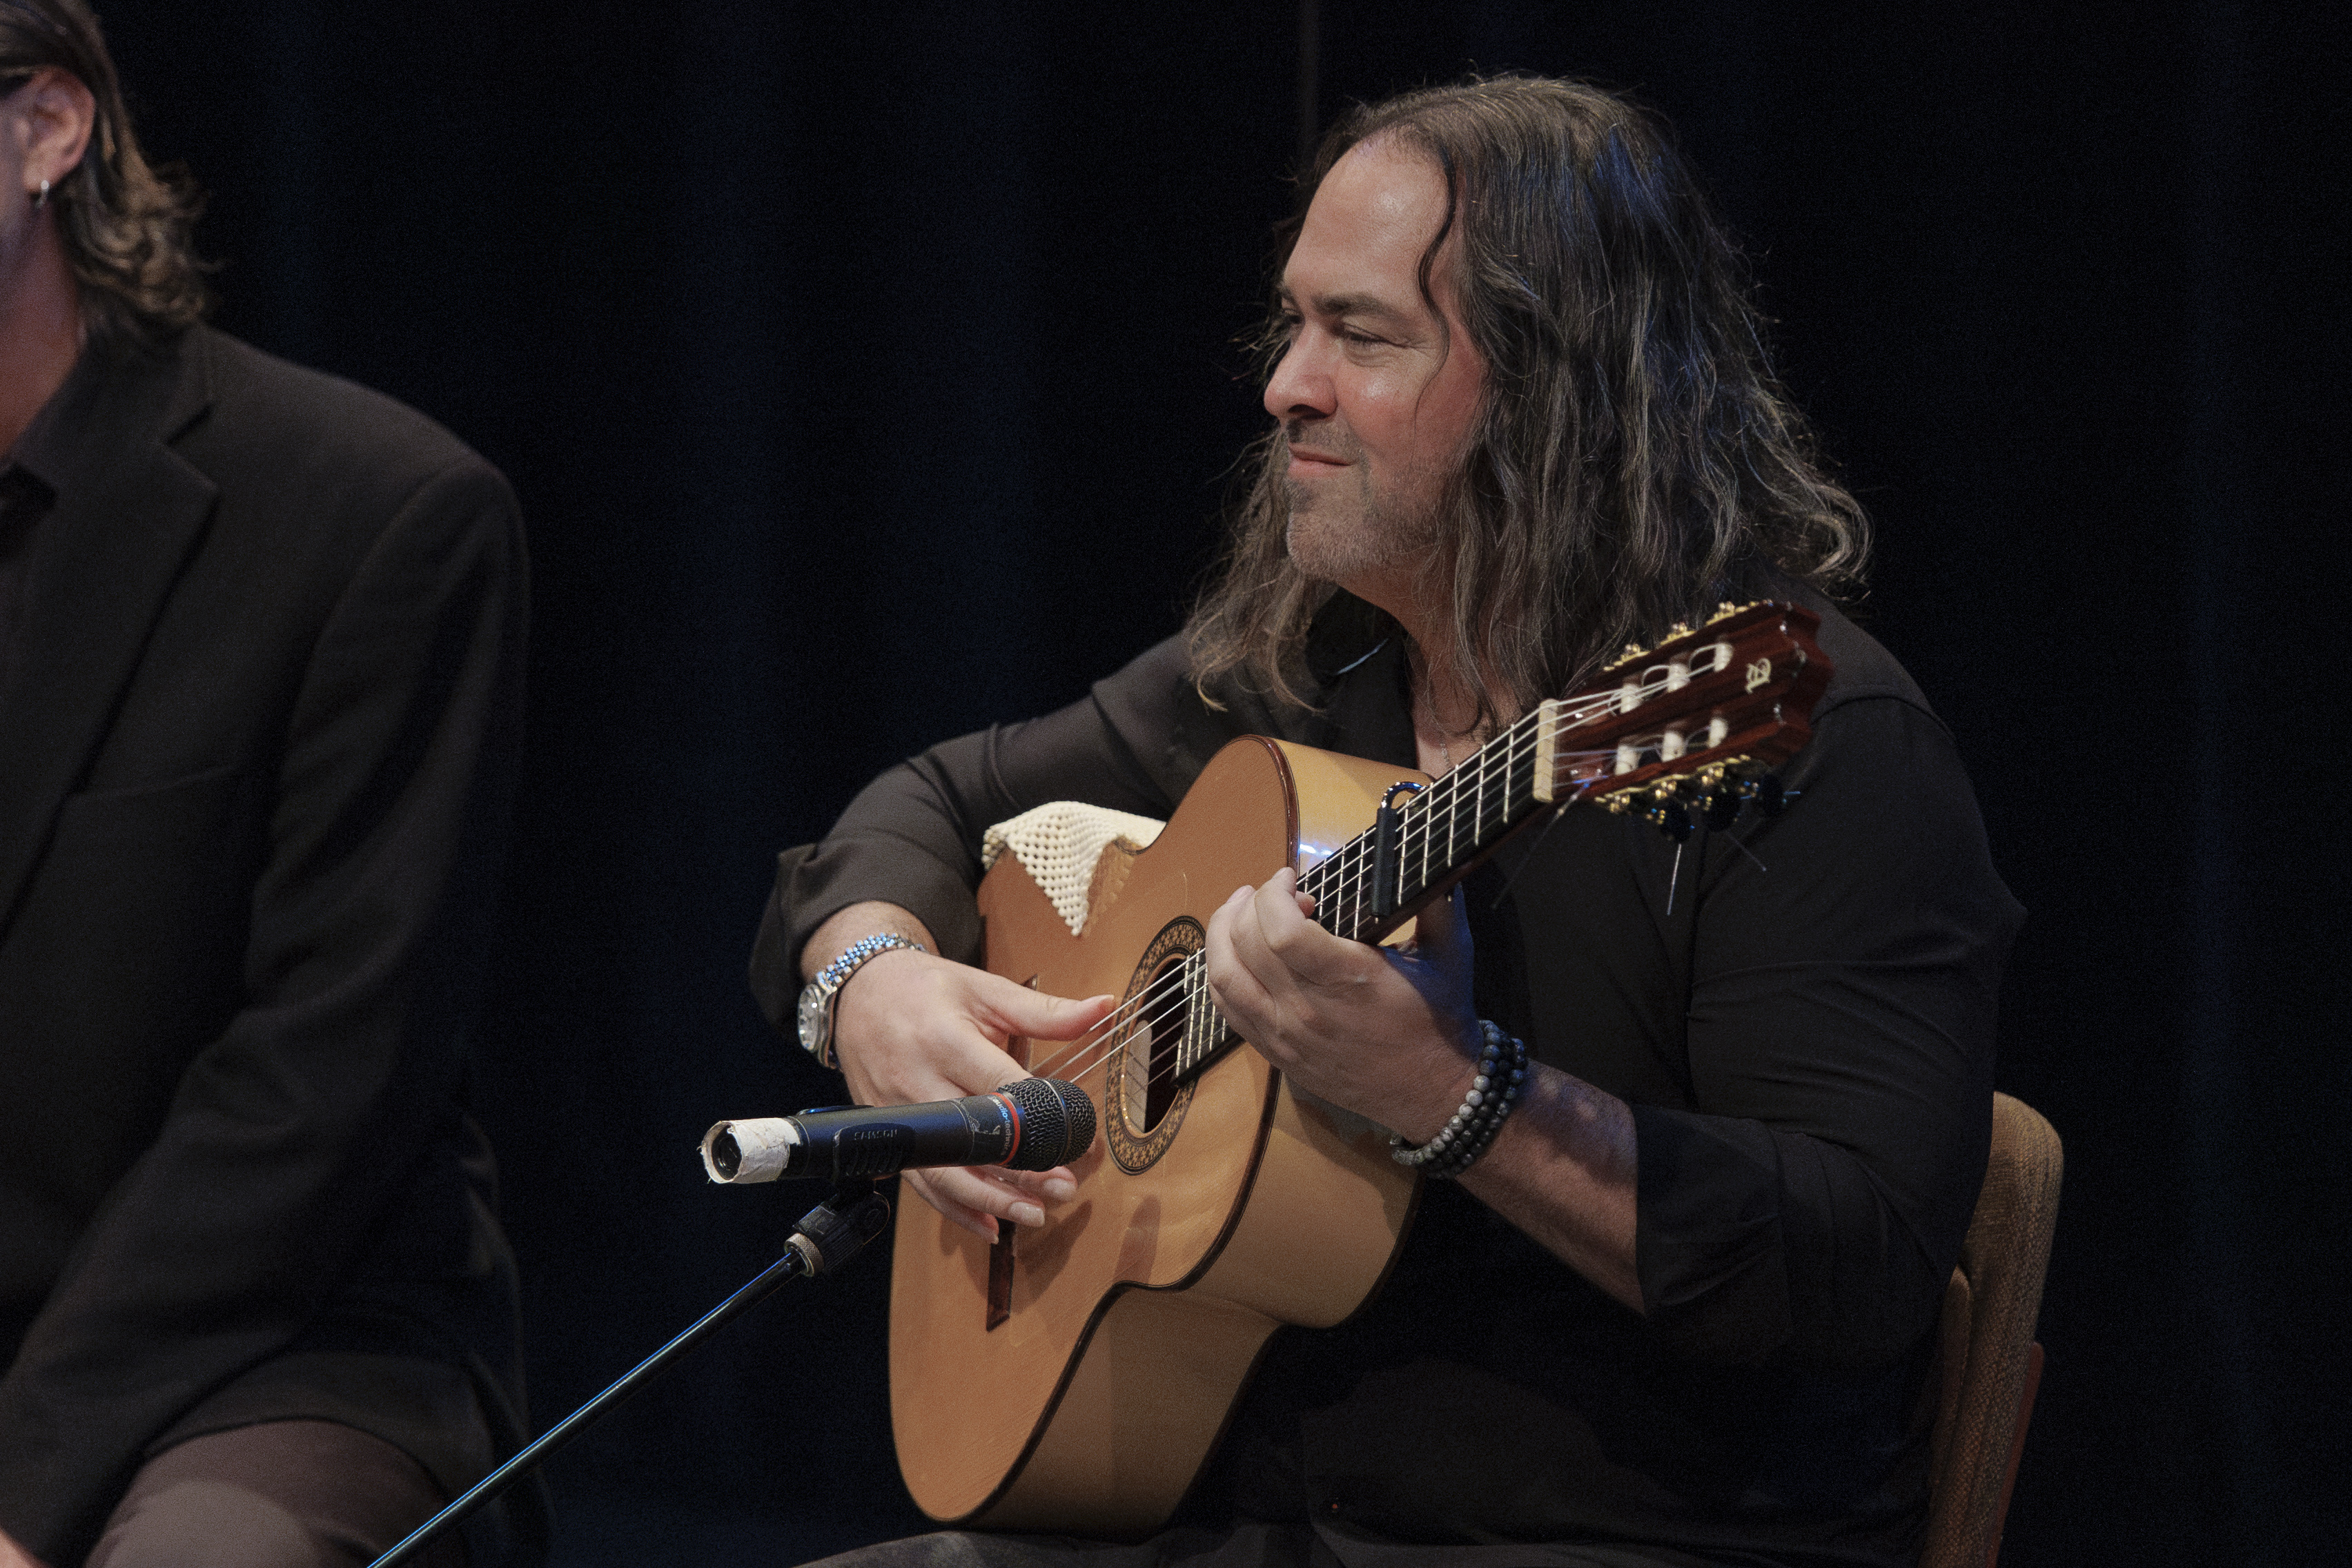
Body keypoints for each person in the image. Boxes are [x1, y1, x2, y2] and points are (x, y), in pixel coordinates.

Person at [752, 77, 2021, 1568]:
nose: (1287, 383)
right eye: (1293, 325)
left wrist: (1456, 1095)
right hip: (1250, 1517)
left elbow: (1855, 1265)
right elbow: (934, 801)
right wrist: (871, 982)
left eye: (1359, 336)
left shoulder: (1809, 738)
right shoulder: (1310, 667)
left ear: (1555, 386)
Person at [0, 4, 540, 1564]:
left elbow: (320, 1083)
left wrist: (20, 1482)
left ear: (46, 129)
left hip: (275, 1350)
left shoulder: (372, 516)